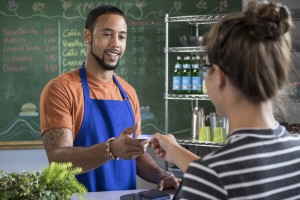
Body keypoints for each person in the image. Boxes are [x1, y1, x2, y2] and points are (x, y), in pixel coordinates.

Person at [151, 1, 300, 199]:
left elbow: (216, 177)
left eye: (206, 69)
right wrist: (176, 151)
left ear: (219, 76)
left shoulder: (209, 178)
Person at [40, 5, 180, 192]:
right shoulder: (61, 89)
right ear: (88, 36)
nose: (116, 43)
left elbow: (136, 155)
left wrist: (161, 175)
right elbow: (58, 159)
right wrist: (111, 149)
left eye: (122, 37)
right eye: (107, 34)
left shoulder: (128, 93)